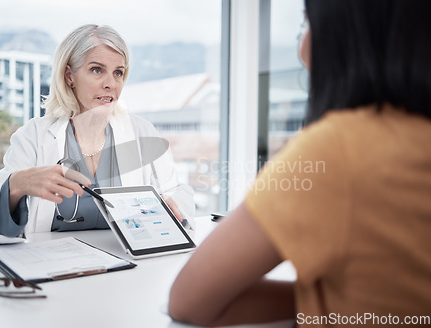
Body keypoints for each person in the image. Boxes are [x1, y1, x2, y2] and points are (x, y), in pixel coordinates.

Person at [169, 0, 431, 326]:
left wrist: (323, 300)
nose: (300, 45)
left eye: (305, 23)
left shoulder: (338, 149)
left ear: (339, 35)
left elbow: (188, 300)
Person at [0, 24, 195, 245]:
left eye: (118, 73)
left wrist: (168, 204)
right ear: (69, 76)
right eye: (97, 70)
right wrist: (15, 185)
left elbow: (177, 193)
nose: (110, 84)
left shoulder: (142, 132)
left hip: (126, 268)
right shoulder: (34, 136)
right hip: (55, 267)